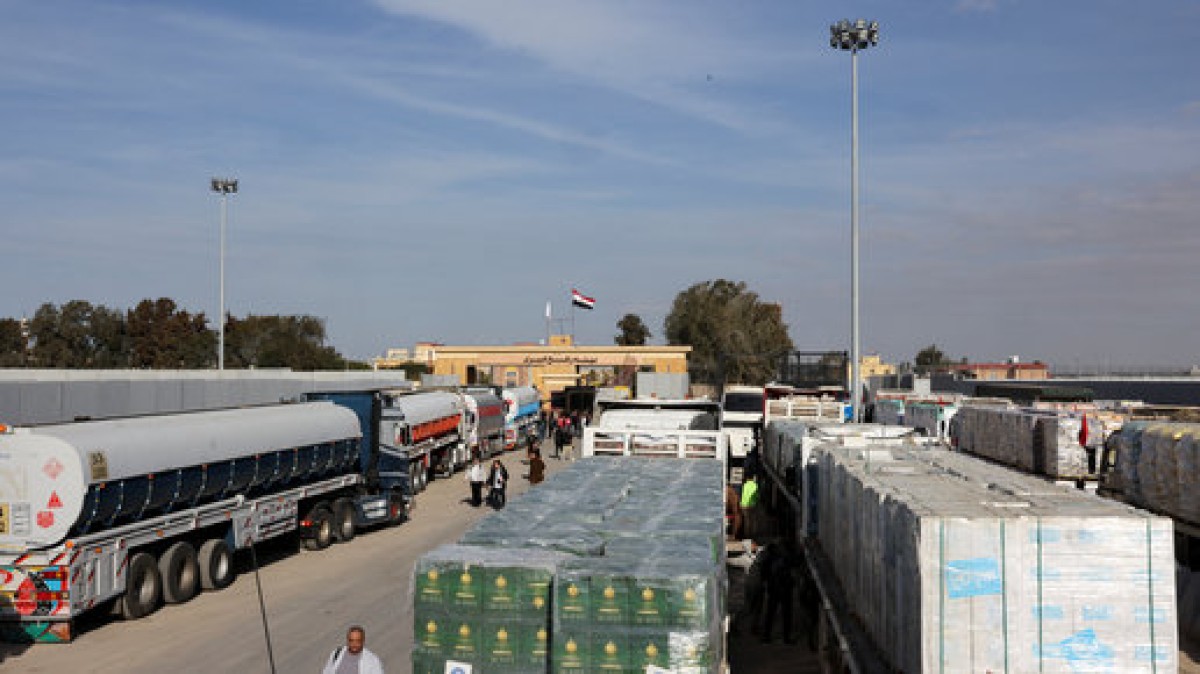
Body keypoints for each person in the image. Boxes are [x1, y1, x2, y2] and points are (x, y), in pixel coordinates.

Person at [761, 541, 795, 644]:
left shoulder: (769, 560)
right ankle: (786, 638)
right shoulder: (785, 558)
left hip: (774, 590)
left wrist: (766, 584)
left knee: (771, 614)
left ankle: (767, 637)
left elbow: (764, 575)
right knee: (786, 615)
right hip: (784, 590)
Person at [740, 474, 760, 539]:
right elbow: (757, 496)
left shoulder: (744, 485)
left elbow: (742, 494)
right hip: (752, 505)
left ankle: (746, 535)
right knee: (753, 520)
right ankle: (753, 535)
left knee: (746, 520)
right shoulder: (755, 485)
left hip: (744, 505)